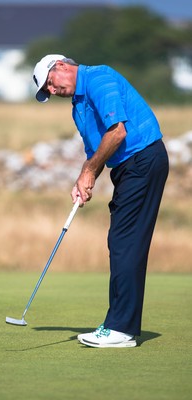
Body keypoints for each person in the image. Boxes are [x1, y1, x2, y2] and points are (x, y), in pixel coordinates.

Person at [33, 54, 169, 348]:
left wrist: (89, 171)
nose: (53, 92)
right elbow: (95, 152)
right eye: (48, 92)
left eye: (51, 85)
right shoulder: (78, 108)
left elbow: (117, 132)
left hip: (143, 159)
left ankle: (120, 329)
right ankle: (122, 325)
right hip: (128, 169)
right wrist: (84, 179)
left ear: (61, 67)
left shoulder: (99, 78)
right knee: (122, 241)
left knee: (125, 242)